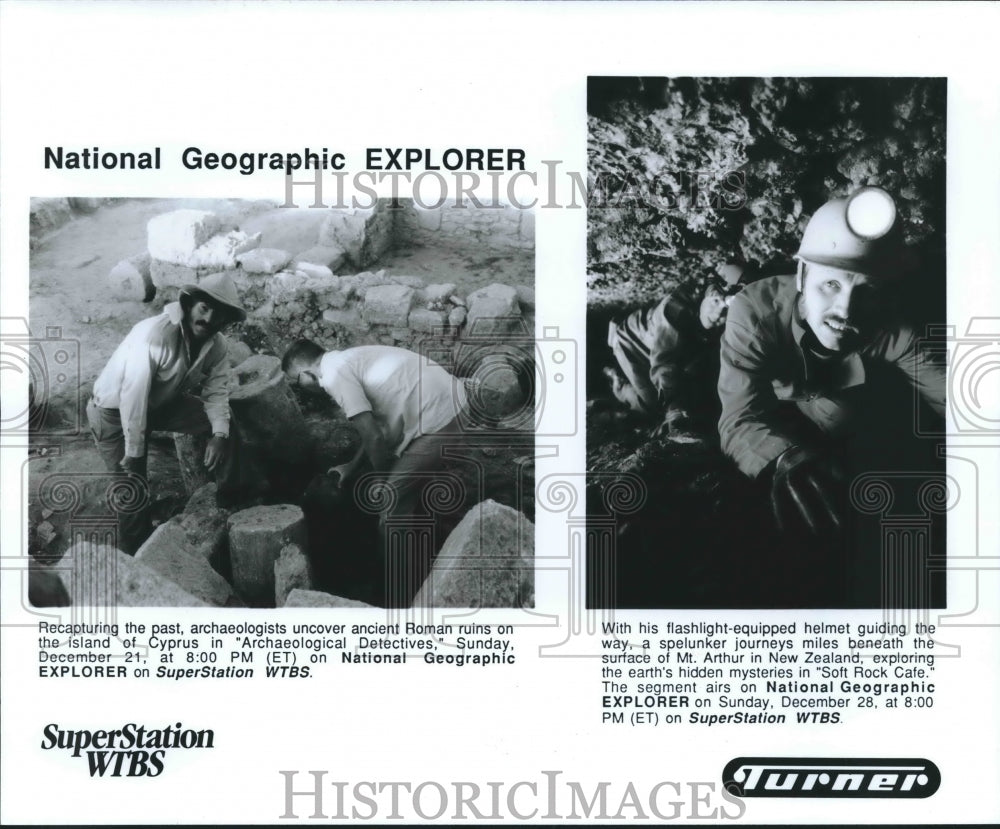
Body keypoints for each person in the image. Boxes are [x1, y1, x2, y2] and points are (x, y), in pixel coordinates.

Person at [718, 186, 946, 538]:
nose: (845, 310)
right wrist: (781, 459)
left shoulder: (892, 330)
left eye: (867, 291)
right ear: (802, 276)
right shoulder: (753, 313)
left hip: (832, 408)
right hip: (776, 402)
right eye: (830, 285)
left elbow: (951, 400)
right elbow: (739, 415)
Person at [281, 340, 469, 606]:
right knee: (408, 493)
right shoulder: (347, 359)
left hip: (442, 418)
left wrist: (382, 481)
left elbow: (375, 438)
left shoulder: (333, 376)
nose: (301, 389)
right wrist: (353, 466)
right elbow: (375, 428)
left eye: (296, 382)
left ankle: (401, 595)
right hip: (450, 401)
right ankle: (429, 553)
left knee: (391, 508)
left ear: (306, 374)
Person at [87, 272, 248, 554]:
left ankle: (228, 500)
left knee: (224, 425)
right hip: (113, 412)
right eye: (204, 308)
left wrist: (220, 434)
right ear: (189, 305)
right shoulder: (155, 335)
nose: (208, 319)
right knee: (132, 487)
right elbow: (132, 394)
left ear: (226, 321)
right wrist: (134, 451)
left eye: (218, 315)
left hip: (160, 404)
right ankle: (137, 556)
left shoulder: (217, 345)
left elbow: (217, 391)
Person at [605, 262, 745, 436]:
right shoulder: (675, 307)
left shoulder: (729, 322)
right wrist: (674, 408)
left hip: (673, 348)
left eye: (727, 309)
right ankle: (617, 381)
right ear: (707, 291)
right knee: (652, 406)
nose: (718, 312)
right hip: (631, 341)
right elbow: (664, 362)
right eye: (717, 300)